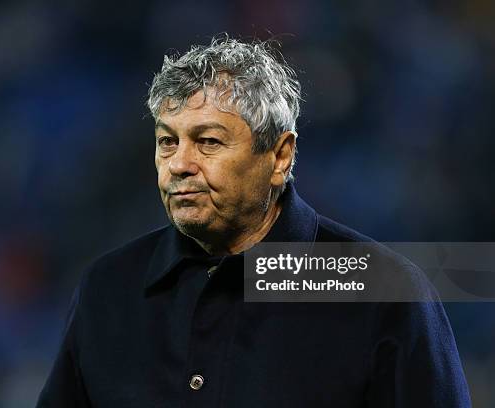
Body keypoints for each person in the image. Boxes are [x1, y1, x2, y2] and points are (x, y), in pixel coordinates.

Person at [36, 37, 471, 407]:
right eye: (167, 141)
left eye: (207, 141)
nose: (179, 164)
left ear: (280, 156)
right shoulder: (109, 289)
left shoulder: (383, 293)